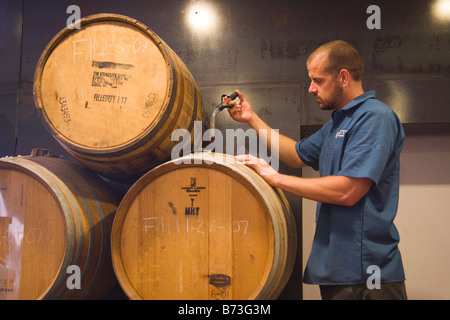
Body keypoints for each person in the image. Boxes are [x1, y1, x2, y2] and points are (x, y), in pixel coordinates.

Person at [226, 40, 407, 300]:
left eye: (318, 80)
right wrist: (251, 118)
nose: (311, 89)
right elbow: (296, 154)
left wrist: (275, 178)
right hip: (335, 270)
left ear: (343, 77)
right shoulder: (338, 123)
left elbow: (348, 191)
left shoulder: (374, 117)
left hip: (366, 274)